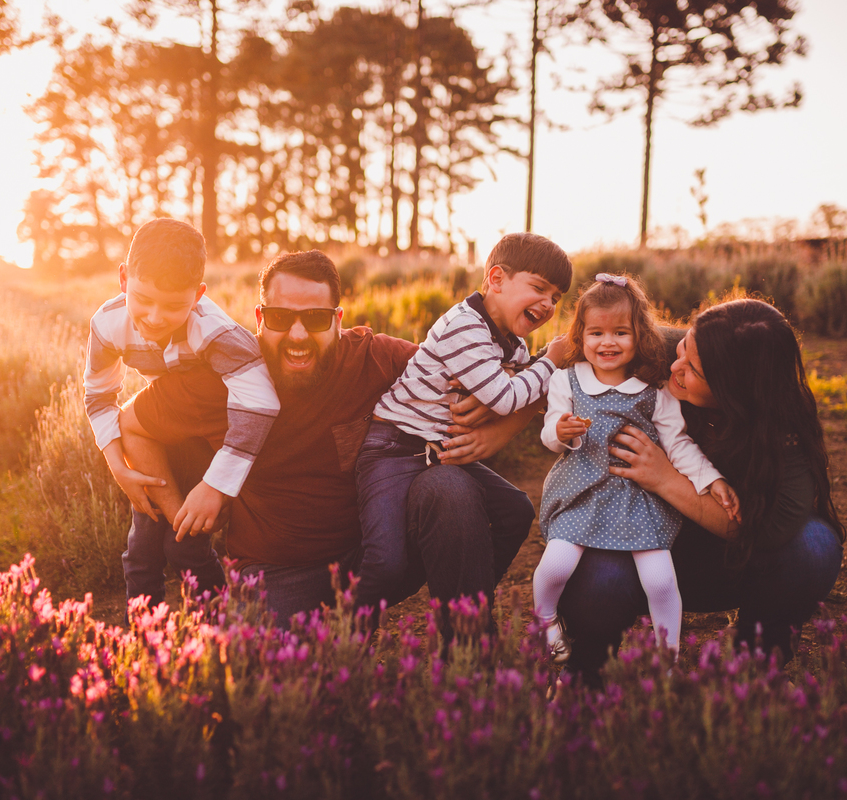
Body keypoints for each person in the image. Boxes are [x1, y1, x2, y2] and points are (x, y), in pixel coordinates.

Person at [117, 250, 537, 627]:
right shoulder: (223, 378)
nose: (298, 335)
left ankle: (467, 655)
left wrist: (501, 429)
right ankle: (342, 634)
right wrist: (175, 512)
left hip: (375, 554)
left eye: (316, 319)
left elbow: (491, 378)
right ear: (260, 318)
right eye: (281, 318)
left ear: (337, 320)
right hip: (276, 571)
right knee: (263, 675)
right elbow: (131, 424)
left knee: (448, 487)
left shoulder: (372, 357)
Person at [558, 297, 846, 680]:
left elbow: (767, 531)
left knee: (813, 546)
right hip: (634, 537)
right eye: (683, 348)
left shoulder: (783, 429)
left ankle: (753, 671)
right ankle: (581, 675)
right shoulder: (653, 348)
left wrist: (665, 479)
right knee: (597, 577)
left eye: (693, 370)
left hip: (726, 562)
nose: (674, 367)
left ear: (734, 390)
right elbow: (560, 354)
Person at [355, 232, 572, 612]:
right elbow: (506, 398)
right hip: (393, 447)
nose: (548, 304)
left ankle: (469, 602)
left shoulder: (512, 342)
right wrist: (551, 360)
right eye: (539, 288)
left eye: (556, 298)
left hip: (437, 450)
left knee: (515, 512)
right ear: (497, 279)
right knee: (385, 561)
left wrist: (533, 368)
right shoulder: (465, 326)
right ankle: (340, 625)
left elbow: (525, 384)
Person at [533, 274, 738, 663]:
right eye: (596, 333)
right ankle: (545, 622)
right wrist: (561, 431)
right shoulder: (567, 380)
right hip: (581, 494)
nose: (607, 342)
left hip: (638, 501)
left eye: (620, 333)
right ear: (580, 334)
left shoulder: (654, 390)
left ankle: (667, 657)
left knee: (660, 581)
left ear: (639, 334)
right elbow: (549, 435)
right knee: (555, 567)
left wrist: (711, 479)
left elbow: (678, 444)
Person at [83, 218, 280, 607]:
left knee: (186, 549)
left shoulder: (215, 332)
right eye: (143, 299)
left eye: (174, 305)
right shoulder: (107, 324)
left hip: (216, 436)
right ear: (123, 279)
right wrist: (118, 467)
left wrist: (217, 484)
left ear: (197, 295)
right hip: (161, 429)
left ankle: (219, 626)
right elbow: (99, 396)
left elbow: (261, 400)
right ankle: (144, 632)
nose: (155, 317)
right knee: (142, 550)